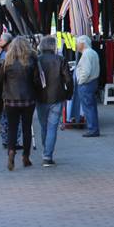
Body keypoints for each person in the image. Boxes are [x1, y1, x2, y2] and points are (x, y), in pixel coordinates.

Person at [0, 37, 40, 170]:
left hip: (11, 100)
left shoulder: (7, 61)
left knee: (12, 127)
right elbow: (36, 80)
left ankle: (11, 151)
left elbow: (0, 79)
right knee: (27, 128)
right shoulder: (31, 60)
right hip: (28, 99)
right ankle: (26, 156)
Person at [35, 35, 72, 167]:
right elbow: (68, 79)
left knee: (44, 126)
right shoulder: (60, 60)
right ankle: (47, 155)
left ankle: (46, 151)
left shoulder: (37, 60)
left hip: (40, 97)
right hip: (57, 97)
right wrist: (69, 94)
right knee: (52, 127)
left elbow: (33, 79)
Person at [75, 35, 100, 137]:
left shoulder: (86, 54)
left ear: (82, 43)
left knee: (88, 107)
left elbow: (85, 71)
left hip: (86, 83)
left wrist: (80, 81)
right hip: (93, 82)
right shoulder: (93, 53)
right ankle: (94, 128)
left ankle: (92, 129)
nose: (76, 45)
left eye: (78, 43)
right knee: (92, 107)